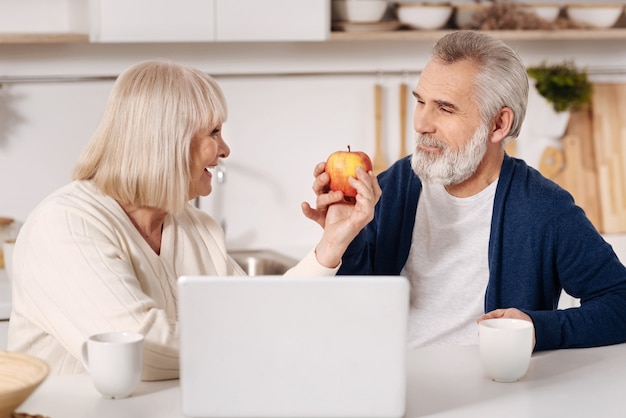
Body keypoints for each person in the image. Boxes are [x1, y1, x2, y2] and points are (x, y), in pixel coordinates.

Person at [7, 59, 382, 380]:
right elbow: (142, 350)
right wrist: (262, 337)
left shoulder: (194, 227)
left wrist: (335, 239)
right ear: (167, 140)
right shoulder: (65, 227)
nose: (225, 149)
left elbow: (259, 311)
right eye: (214, 132)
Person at [306, 30, 626, 351]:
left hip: (492, 392)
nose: (421, 123)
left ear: (498, 124)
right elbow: (351, 308)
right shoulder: (392, 187)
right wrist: (342, 239)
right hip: (393, 382)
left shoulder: (543, 207)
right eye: (420, 102)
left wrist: (538, 329)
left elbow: (620, 301)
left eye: (445, 109)